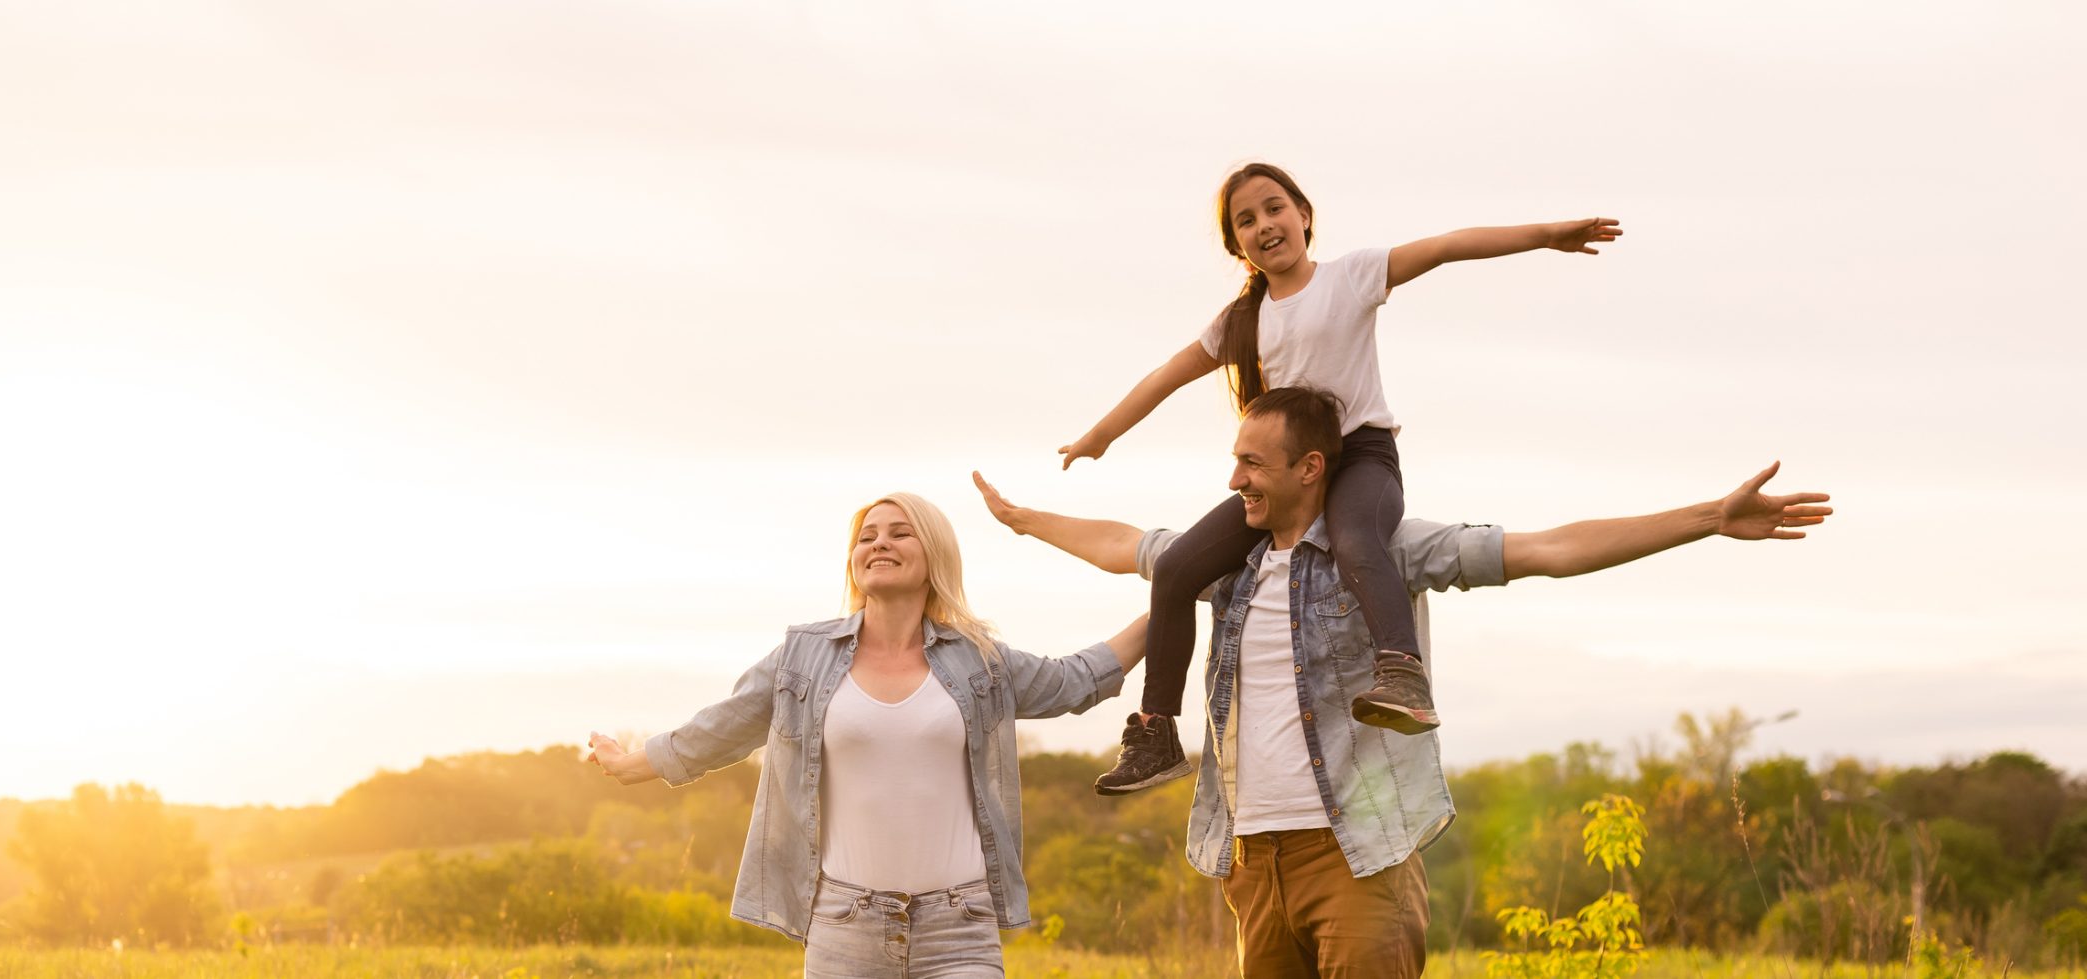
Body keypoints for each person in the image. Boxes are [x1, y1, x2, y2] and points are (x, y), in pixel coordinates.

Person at [978, 385, 1834, 978]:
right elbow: (1122, 543)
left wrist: (1707, 520)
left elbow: (1547, 550)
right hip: (1251, 857)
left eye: (1251, 462)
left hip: (1355, 855)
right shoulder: (1225, 564)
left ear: (1311, 467)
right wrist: (1024, 522)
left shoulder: (1389, 551)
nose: (1233, 479)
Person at [1058, 161, 1624, 794]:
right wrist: (1100, 436)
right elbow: (1167, 374)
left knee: (1356, 541)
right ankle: (1157, 730)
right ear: (1236, 245)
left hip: (1360, 458)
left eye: (1275, 208)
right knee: (1177, 567)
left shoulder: (1351, 277)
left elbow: (1444, 248)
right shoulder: (1240, 322)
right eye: (1246, 220)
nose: (1265, 225)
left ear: (1303, 215)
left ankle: (1402, 673)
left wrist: (1545, 234)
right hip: (1285, 475)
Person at [584, 491, 1150, 978]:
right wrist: (634, 763)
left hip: (961, 926)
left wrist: (1174, 596)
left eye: (900, 533)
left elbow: (1075, 680)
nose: (878, 543)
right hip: (843, 927)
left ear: (934, 557)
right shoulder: (803, 655)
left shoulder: (981, 662)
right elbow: (723, 725)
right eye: (866, 537)